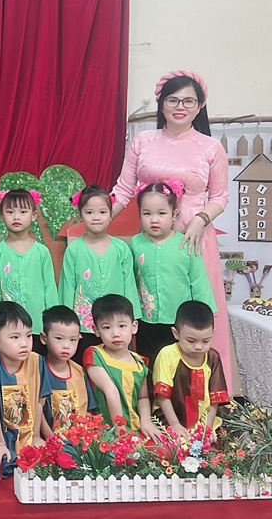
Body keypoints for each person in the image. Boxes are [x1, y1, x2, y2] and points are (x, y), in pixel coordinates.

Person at [111, 70, 233, 387]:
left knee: (194, 314)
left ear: (200, 106)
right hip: (148, 240)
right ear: (162, 104)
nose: (180, 107)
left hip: (192, 238)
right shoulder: (143, 142)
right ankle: (149, 390)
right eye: (173, 100)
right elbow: (123, 189)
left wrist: (201, 219)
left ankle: (202, 390)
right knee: (150, 313)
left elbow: (220, 196)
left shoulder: (211, 147)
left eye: (189, 101)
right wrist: (97, 222)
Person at [129, 182, 217, 362]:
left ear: (174, 214)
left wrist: (205, 315)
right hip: (146, 320)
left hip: (179, 322)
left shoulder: (186, 243)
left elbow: (198, 281)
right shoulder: (135, 244)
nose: (154, 220)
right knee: (149, 363)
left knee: (178, 364)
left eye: (161, 213)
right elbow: (131, 281)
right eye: (147, 214)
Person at [60, 186, 139, 359]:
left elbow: (129, 286)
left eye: (102, 212)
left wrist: (132, 318)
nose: (96, 217)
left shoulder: (121, 249)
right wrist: (67, 321)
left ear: (111, 214)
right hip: (84, 325)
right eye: (89, 212)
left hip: (116, 325)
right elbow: (67, 286)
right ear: (80, 215)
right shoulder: (74, 250)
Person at [83, 295, 161, 440]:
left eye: (122, 326)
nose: (115, 334)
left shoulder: (140, 362)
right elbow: (111, 391)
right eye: (107, 327)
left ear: (134, 327)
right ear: (96, 330)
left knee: (168, 448)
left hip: (136, 428)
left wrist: (146, 422)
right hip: (109, 430)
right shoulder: (95, 354)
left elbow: (143, 397)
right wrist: (120, 433)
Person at [0, 301, 44, 478]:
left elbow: (40, 401)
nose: (24, 343)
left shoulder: (37, 360)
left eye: (28, 335)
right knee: (2, 467)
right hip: (5, 436)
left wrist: (37, 436)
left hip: (30, 434)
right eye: (15, 337)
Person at [0, 190, 58, 349]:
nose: (16, 217)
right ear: (1, 216)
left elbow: (49, 288)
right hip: (5, 326)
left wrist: (53, 321)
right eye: (10, 212)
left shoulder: (42, 252)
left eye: (23, 212)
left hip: (37, 325)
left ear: (33, 216)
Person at [153, 301, 231, 437]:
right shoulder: (167, 355)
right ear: (176, 333)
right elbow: (162, 396)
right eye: (191, 341)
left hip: (206, 420)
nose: (199, 347)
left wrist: (207, 428)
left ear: (213, 333)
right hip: (171, 418)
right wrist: (175, 424)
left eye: (206, 341)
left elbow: (215, 399)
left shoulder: (213, 357)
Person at [37, 306, 96, 437]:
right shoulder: (38, 370)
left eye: (73, 340)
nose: (66, 346)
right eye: (59, 338)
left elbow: (88, 410)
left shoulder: (80, 372)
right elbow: (36, 409)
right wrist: (49, 436)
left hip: (78, 439)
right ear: (44, 338)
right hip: (48, 439)